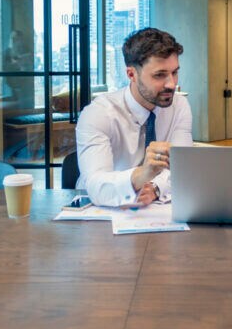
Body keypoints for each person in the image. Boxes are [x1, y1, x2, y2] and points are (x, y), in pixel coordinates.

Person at [75, 28, 193, 207]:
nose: (171, 84)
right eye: (159, 75)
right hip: (101, 211)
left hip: (155, 210)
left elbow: (184, 169)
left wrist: (155, 187)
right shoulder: (98, 114)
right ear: (131, 74)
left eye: (174, 72)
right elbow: (95, 185)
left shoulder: (180, 106)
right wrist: (141, 176)